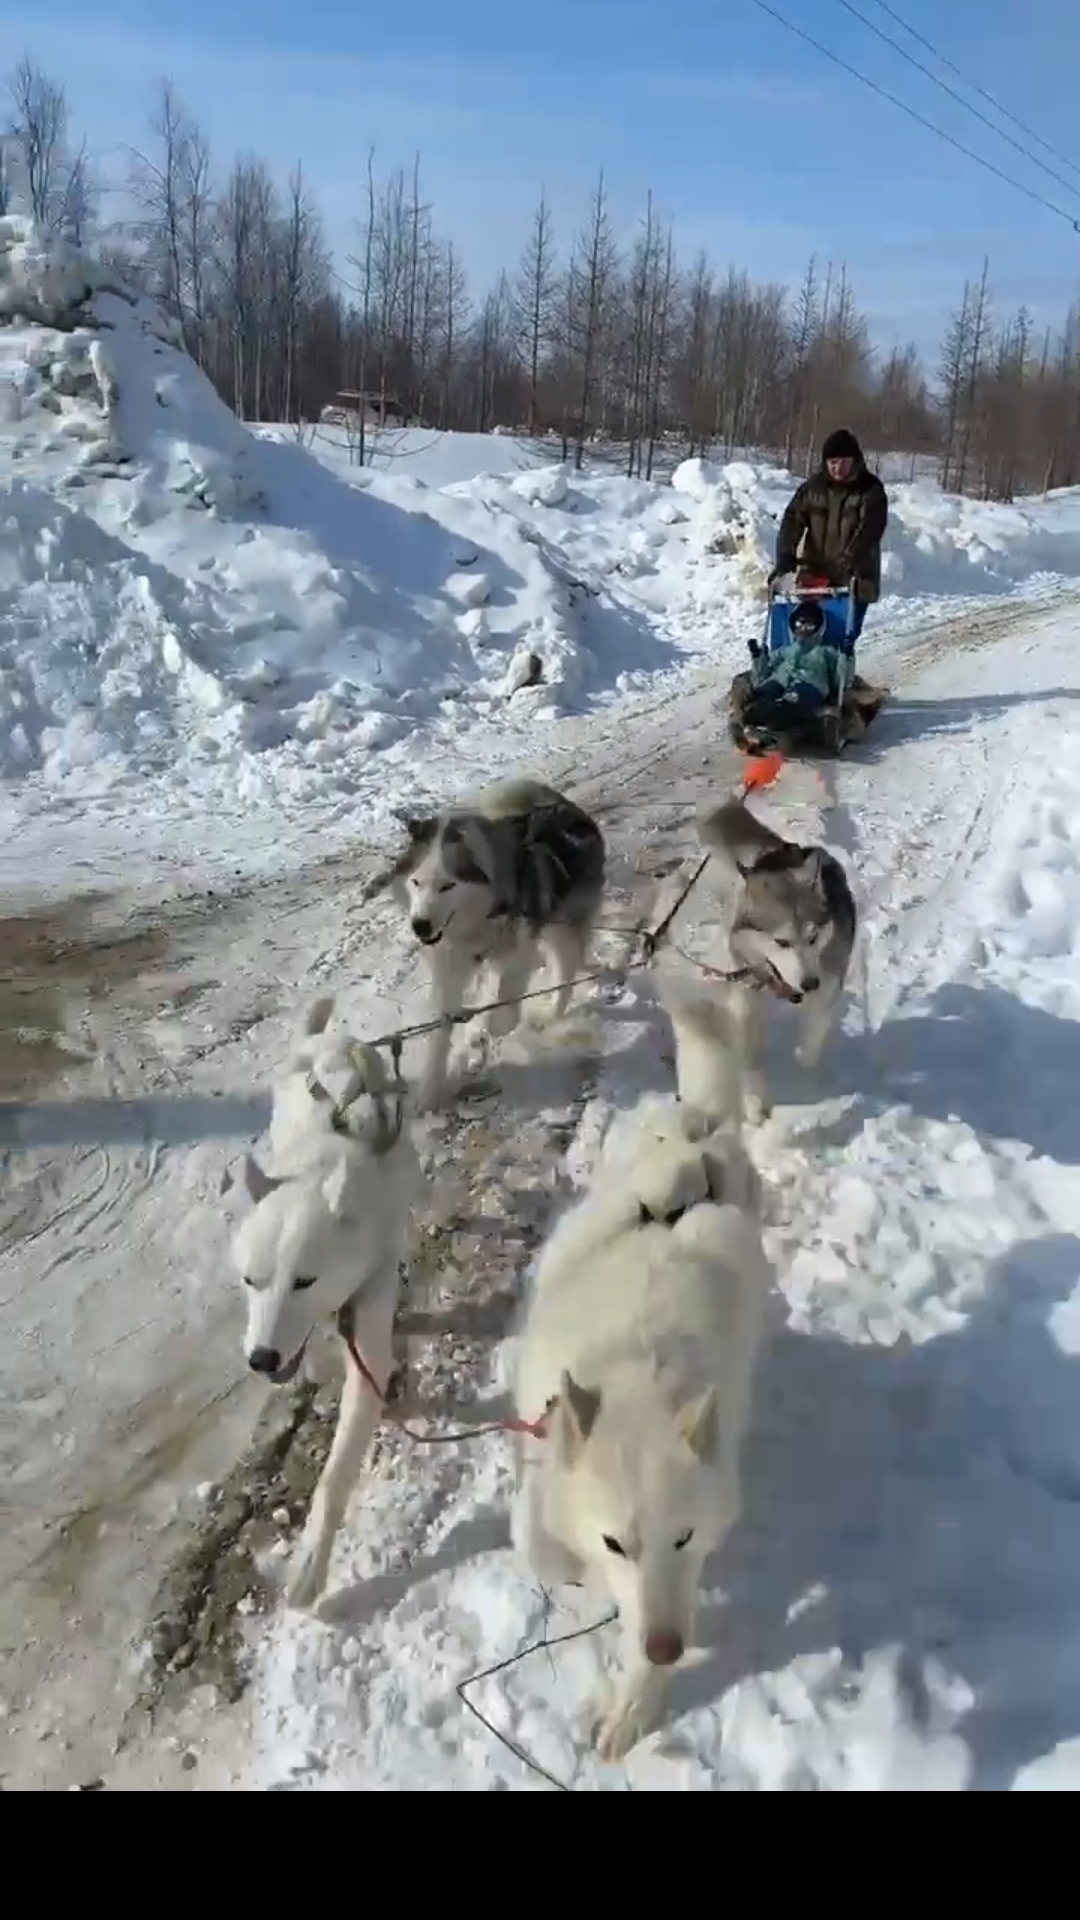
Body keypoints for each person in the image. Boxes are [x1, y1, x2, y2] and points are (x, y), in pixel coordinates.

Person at [771, 428, 888, 641]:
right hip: (815, 575)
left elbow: (872, 528)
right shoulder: (812, 489)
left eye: (844, 462)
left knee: (841, 636)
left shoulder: (870, 490)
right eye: (833, 462)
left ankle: (840, 670)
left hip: (854, 578)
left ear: (855, 461)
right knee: (803, 629)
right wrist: (785, 558)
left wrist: (850, 558)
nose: (838, 468)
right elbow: (792, 521)